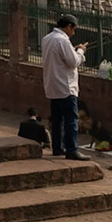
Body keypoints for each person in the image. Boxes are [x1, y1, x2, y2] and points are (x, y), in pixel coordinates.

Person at [41, 14, 89, 160]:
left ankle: (57, 148)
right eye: (73, 29)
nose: (73, 32)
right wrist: (80, 51)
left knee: (56, 121)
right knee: (70, 120)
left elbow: (60, 57)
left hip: (52, 86)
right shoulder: (62, 41)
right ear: (69, 26)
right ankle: (71, 149)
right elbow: (73, 62)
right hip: (65, 87)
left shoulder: (47, 39)